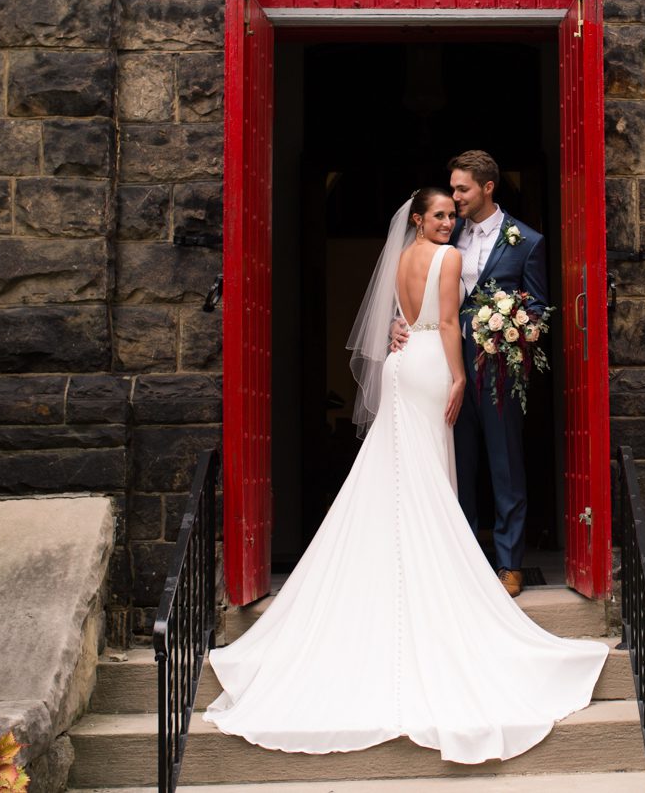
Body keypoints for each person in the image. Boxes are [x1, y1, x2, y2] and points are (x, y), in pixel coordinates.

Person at [201, 188, 606, 765]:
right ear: (419, 220)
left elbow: (399, 316)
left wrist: (406, 333)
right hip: (431, 367)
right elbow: (444, 324)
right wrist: (460, 378)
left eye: (451, 215)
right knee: (428, 473)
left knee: (397, 471)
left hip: (398, 367)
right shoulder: (450, 258)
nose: (449, 222)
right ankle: (427, 569)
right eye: (440, 216)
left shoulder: (397, 259)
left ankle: (396, 565)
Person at [391, 151, 548, 598]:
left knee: (505, 465)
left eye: (462, 189)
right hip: (443, 365)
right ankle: (461, 558)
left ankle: (510, 563)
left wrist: (515, 326)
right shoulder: (446, 231)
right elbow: (421, 295)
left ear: (487, 188)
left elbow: (537, 309)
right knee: (455, 464)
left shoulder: (527, 241)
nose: (455, 197)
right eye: (452, 189)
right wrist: (398, 321)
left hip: (497, 367)